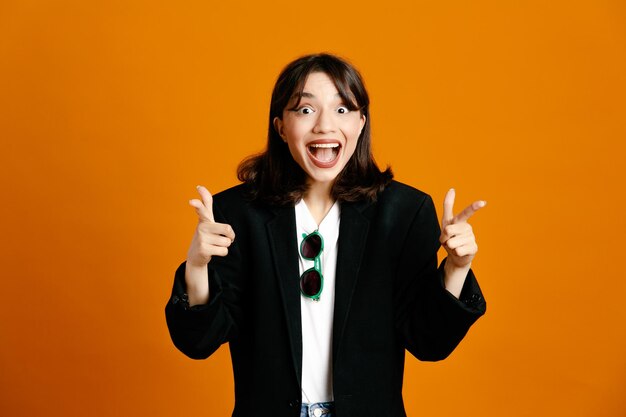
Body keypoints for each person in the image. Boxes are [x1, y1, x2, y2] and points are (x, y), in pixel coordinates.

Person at [165, 53, 487, 417]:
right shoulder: (238, 214)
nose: (324, 126)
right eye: (305, 110)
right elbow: (199, 342)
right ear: (280, 126)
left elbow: (430, 343)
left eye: (343, 109)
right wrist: (196, 267)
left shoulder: (402, 213)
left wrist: (457, 268)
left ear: (361, 123)